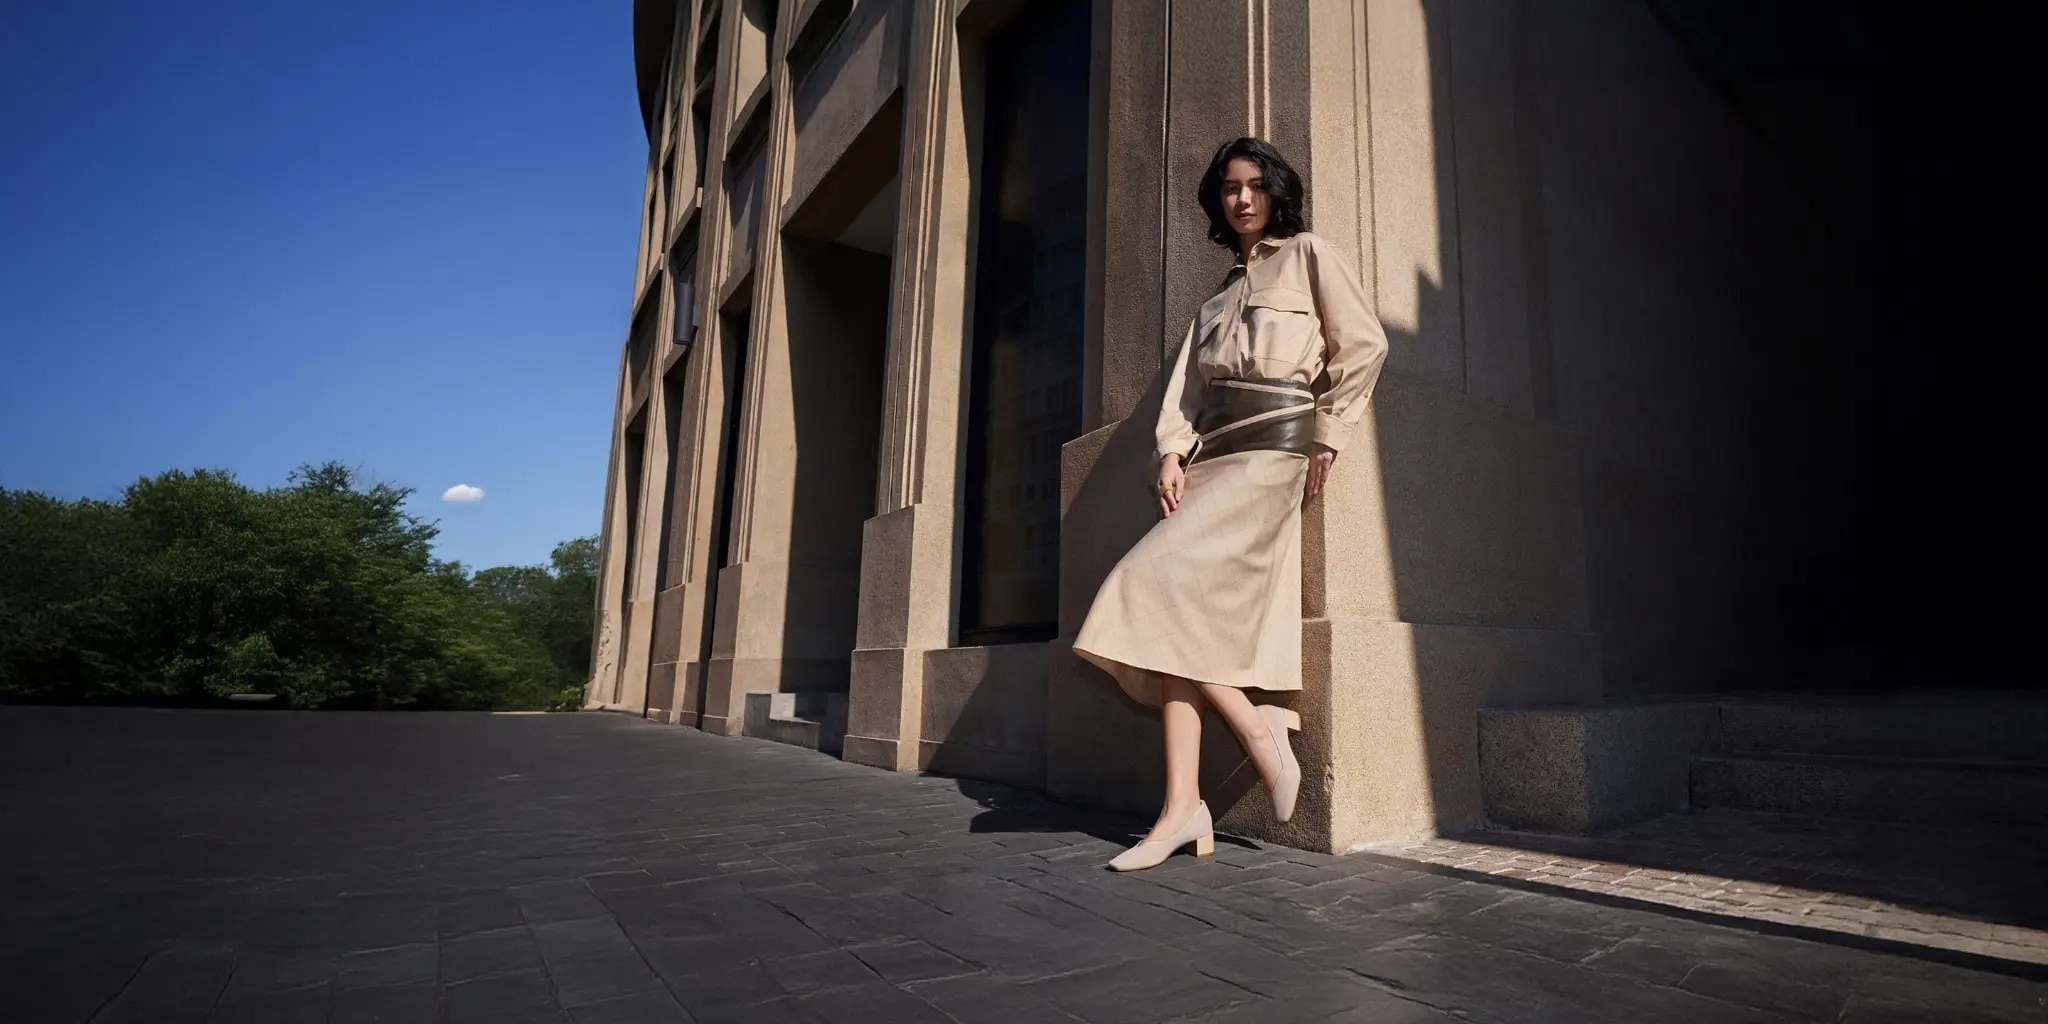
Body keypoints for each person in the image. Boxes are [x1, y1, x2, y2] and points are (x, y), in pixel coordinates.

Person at [1073, 137, 1389, 872]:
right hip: (1215, 461)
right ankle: (1182, 805)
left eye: (1253, 185)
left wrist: (1328, 435)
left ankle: (1256, 734)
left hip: (1275, 452)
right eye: (1228, 189)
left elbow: (1364, 345)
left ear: (1276, 191)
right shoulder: (1215, 300)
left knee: (1143, 587)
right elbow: (1185, 393)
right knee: (1169, 615)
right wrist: (1171, 453)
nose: (1241, 199)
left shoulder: (1309, 254)